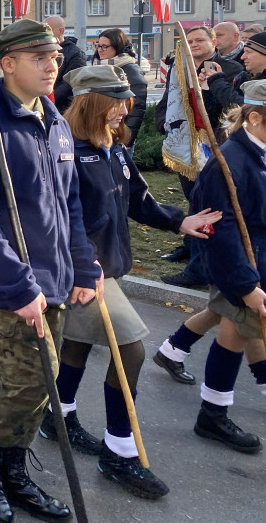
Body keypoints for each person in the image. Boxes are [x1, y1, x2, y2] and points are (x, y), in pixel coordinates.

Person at [0, 18, 102, 523]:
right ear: (7, 64)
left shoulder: (53, 119)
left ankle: (12, 468)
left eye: (55, 56)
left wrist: (83, 265)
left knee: (41, 381)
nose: (52, 64)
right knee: (30, 379)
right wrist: (18, 283)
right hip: (7, 283)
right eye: (40, 57)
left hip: (54, 276)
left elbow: (69, 204)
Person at [42, 65, 220, 499]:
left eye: (126, 102)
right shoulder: (64, 149)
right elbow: (59, 216)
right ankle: (119, 453)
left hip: (107, 267)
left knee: (78, 345)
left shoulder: (114, 149)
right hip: (81, 270)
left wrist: (181, 221)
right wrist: (82, 264)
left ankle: (57, 416)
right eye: (115, 102)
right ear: (89, 103)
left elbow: (139, 199)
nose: (124, 110)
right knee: (132, 349)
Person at [185, 80, 266, 454]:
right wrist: (245, 283)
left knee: (246, 330)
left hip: (258, 262)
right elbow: (221, 231)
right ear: (254, 118)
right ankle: (213, 415)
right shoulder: (228, 163)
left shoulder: (258, 153)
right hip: (242, 266)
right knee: (235, 330)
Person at [156, 26, 242, 284]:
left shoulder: (229, 69)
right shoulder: (178, 68)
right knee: (193, 199)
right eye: (189, 40)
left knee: (207, 202)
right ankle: (190, 245)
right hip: (185, 141)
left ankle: (199, 264)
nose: (192, 44)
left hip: (214, 143)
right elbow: (167, 101)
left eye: (199, 40)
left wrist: (209, 84)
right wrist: (163, 123)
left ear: (212, 42)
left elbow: (230, 108)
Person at [92, 28, 147, 148]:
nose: (100, 50)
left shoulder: (130, 70)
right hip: (100, 133)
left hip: (119, 136)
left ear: (117, 46)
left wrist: (127, 141)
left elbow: (136, 109)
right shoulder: (99, 67)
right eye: (98, 46)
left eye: (105, 46)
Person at [45, 14, 86, 113]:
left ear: (61, 31)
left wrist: (48, 98)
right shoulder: (43, 51)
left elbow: (71, 82)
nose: (45, 34)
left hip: (64, 110)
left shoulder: (76, 54)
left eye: (48, 30)